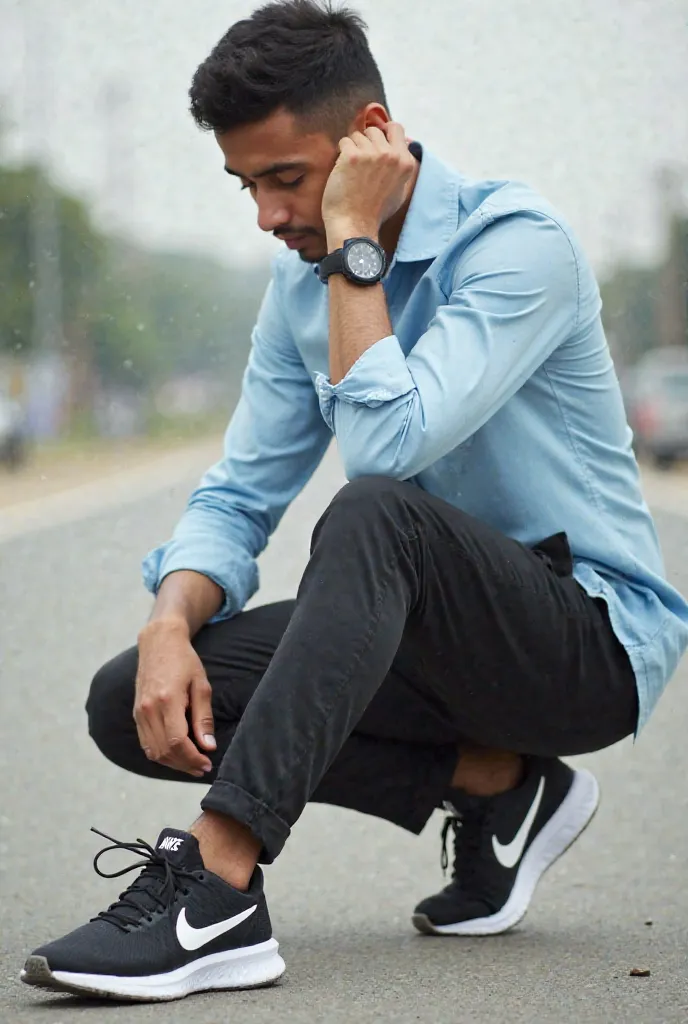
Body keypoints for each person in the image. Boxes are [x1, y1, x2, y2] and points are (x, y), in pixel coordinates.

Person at [22, 0, 688, 1004]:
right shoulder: (299, 293)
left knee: (375, 515)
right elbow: (241, 492)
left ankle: (218, 883)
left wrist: (351, 242)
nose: (265, 215)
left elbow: (385, 447)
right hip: (431, 644)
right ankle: (500, 788)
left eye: (286, 179)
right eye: (245, 184)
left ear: (369, 137)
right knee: (135, 701)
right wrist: (168, 620)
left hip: (583, 644)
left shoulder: (517, 248)